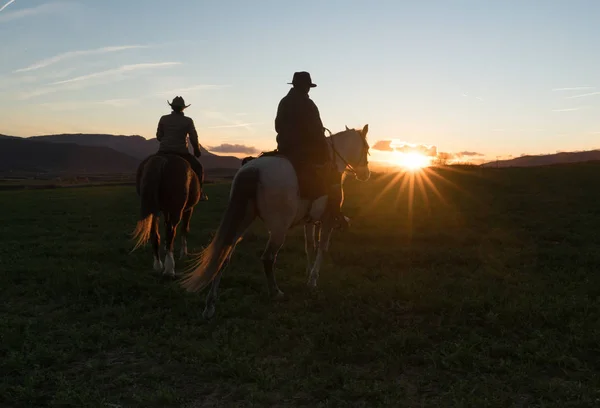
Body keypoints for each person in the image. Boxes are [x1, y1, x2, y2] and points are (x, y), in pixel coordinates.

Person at [274, 71, 348, 229]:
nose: (308, 90)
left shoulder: (284, 102)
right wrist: (326, 154)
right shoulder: (308, 104)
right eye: (308, 86)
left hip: (285, 149)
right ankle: (335, 215)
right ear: (305, 87)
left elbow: (277, 126)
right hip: (305, 151)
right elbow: (317, 131)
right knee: (333, 177)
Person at [156, 96, 208, 201]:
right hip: (181, 152)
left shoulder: (163, 118)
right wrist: (196, 150)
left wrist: (167, 141)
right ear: (183, 108)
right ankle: (200, 193)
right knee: (198, 168)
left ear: (172, 107)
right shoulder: (188, 121)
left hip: (163, 151)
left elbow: (159, 136)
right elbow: (193, 136)